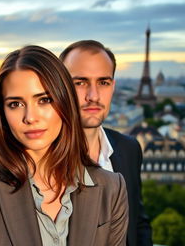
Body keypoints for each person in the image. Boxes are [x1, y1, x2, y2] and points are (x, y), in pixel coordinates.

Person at [0, 45, 128, 246]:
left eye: (44, 100)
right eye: (15, 104)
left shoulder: (112, 188)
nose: (30, 117)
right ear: (2, 113)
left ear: (66, 102)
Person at [60, 40, 153, 246]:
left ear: (113, 86)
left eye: (103, 82)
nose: (93, 96)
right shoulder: (40, 159)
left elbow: (138, 223)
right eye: (80, 82)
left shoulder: (129, 148)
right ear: (60, 88)